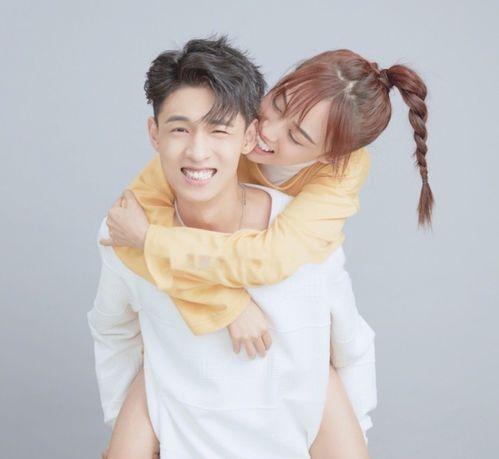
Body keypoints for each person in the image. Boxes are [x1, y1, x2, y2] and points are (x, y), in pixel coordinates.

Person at [89, 37, 375, 458]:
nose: (269, 131)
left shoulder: (316, 223)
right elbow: (126, 255)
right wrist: (130, 427)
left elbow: (271, 264)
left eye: (296, 135)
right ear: (155, 133)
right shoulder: (173, 175)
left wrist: (354, 431)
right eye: (277, 104)